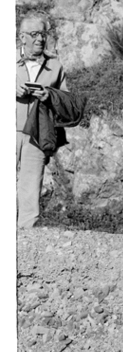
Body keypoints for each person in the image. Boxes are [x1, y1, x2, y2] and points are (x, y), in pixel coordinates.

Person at [16, 15, 68, 228]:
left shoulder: (55, 65)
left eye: (43, 34)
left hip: (37, 132)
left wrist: (50, 96)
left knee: (31, 183)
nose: (39, 39)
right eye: (34, 34)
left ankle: (26, 235)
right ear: (22, 37)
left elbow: (66, 100)